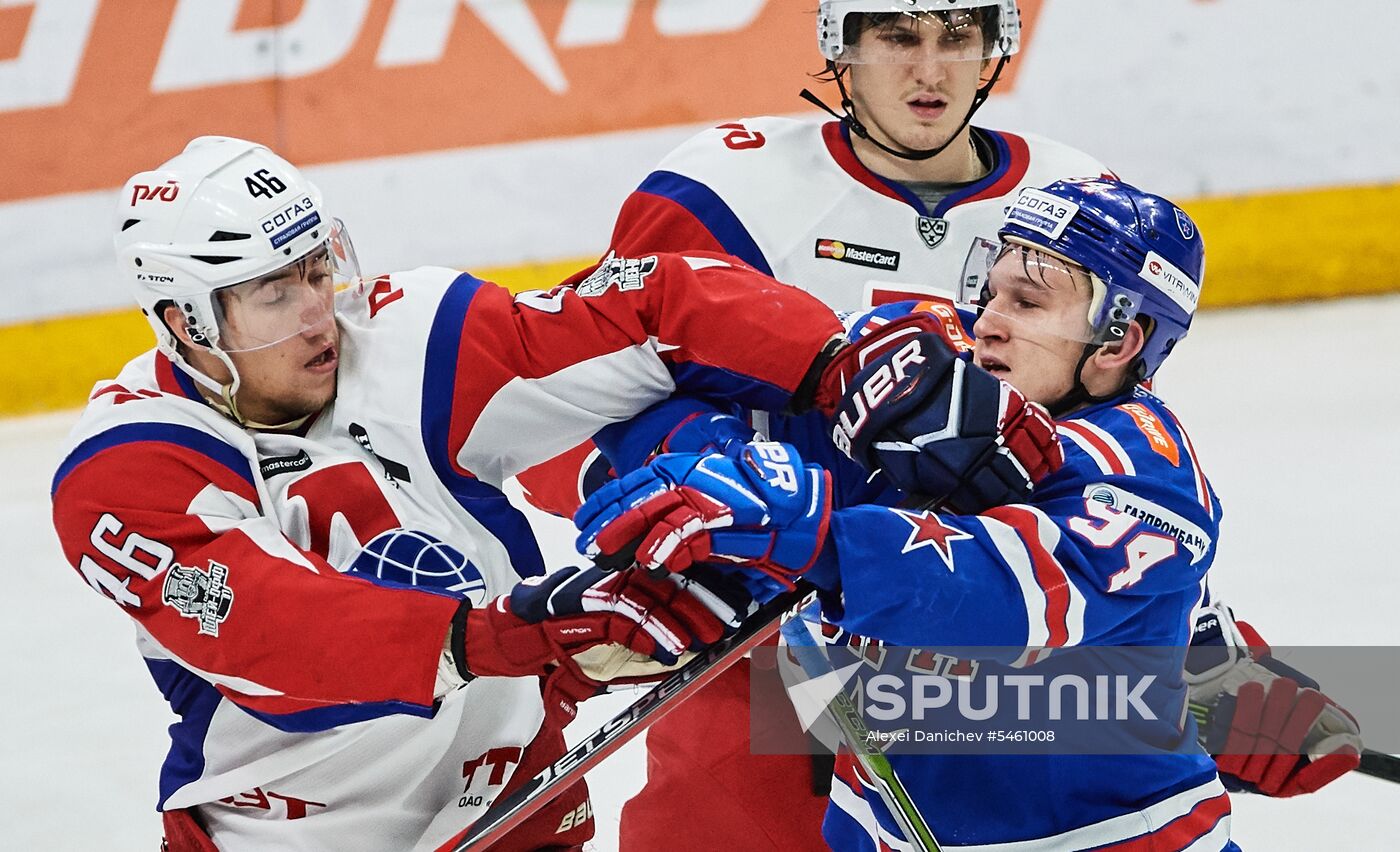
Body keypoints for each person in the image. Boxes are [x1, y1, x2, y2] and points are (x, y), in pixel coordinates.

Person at [48, 137, 1054, 851]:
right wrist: (523, 630)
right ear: (184, 322)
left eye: (321, 269)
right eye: (276, 293)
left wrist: (842, 367)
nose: (322, 313)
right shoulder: (127, 467)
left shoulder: (410, 344)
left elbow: (657, 308)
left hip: (521, 813)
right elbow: (277, 635)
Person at [515, 3, 1361, 846]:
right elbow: (558, 405)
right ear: (839, 44)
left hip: (963, 672)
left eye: (957, 36)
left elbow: (1105, 484)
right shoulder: (720, 193)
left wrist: (1204, 658)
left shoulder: (1064, 199)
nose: (930, 70)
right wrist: (727, 486)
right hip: (757, 656)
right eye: (896, 34)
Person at [579, 177, 1244, 850]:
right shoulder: (929, 381)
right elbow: (652, 379)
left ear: (1120, 340)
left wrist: (814, 535)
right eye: (993, 290)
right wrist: (719, 467)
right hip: (886, 830)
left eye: (1029, 302)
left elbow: (986, 603)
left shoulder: (1150, 485)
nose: (988, 319)